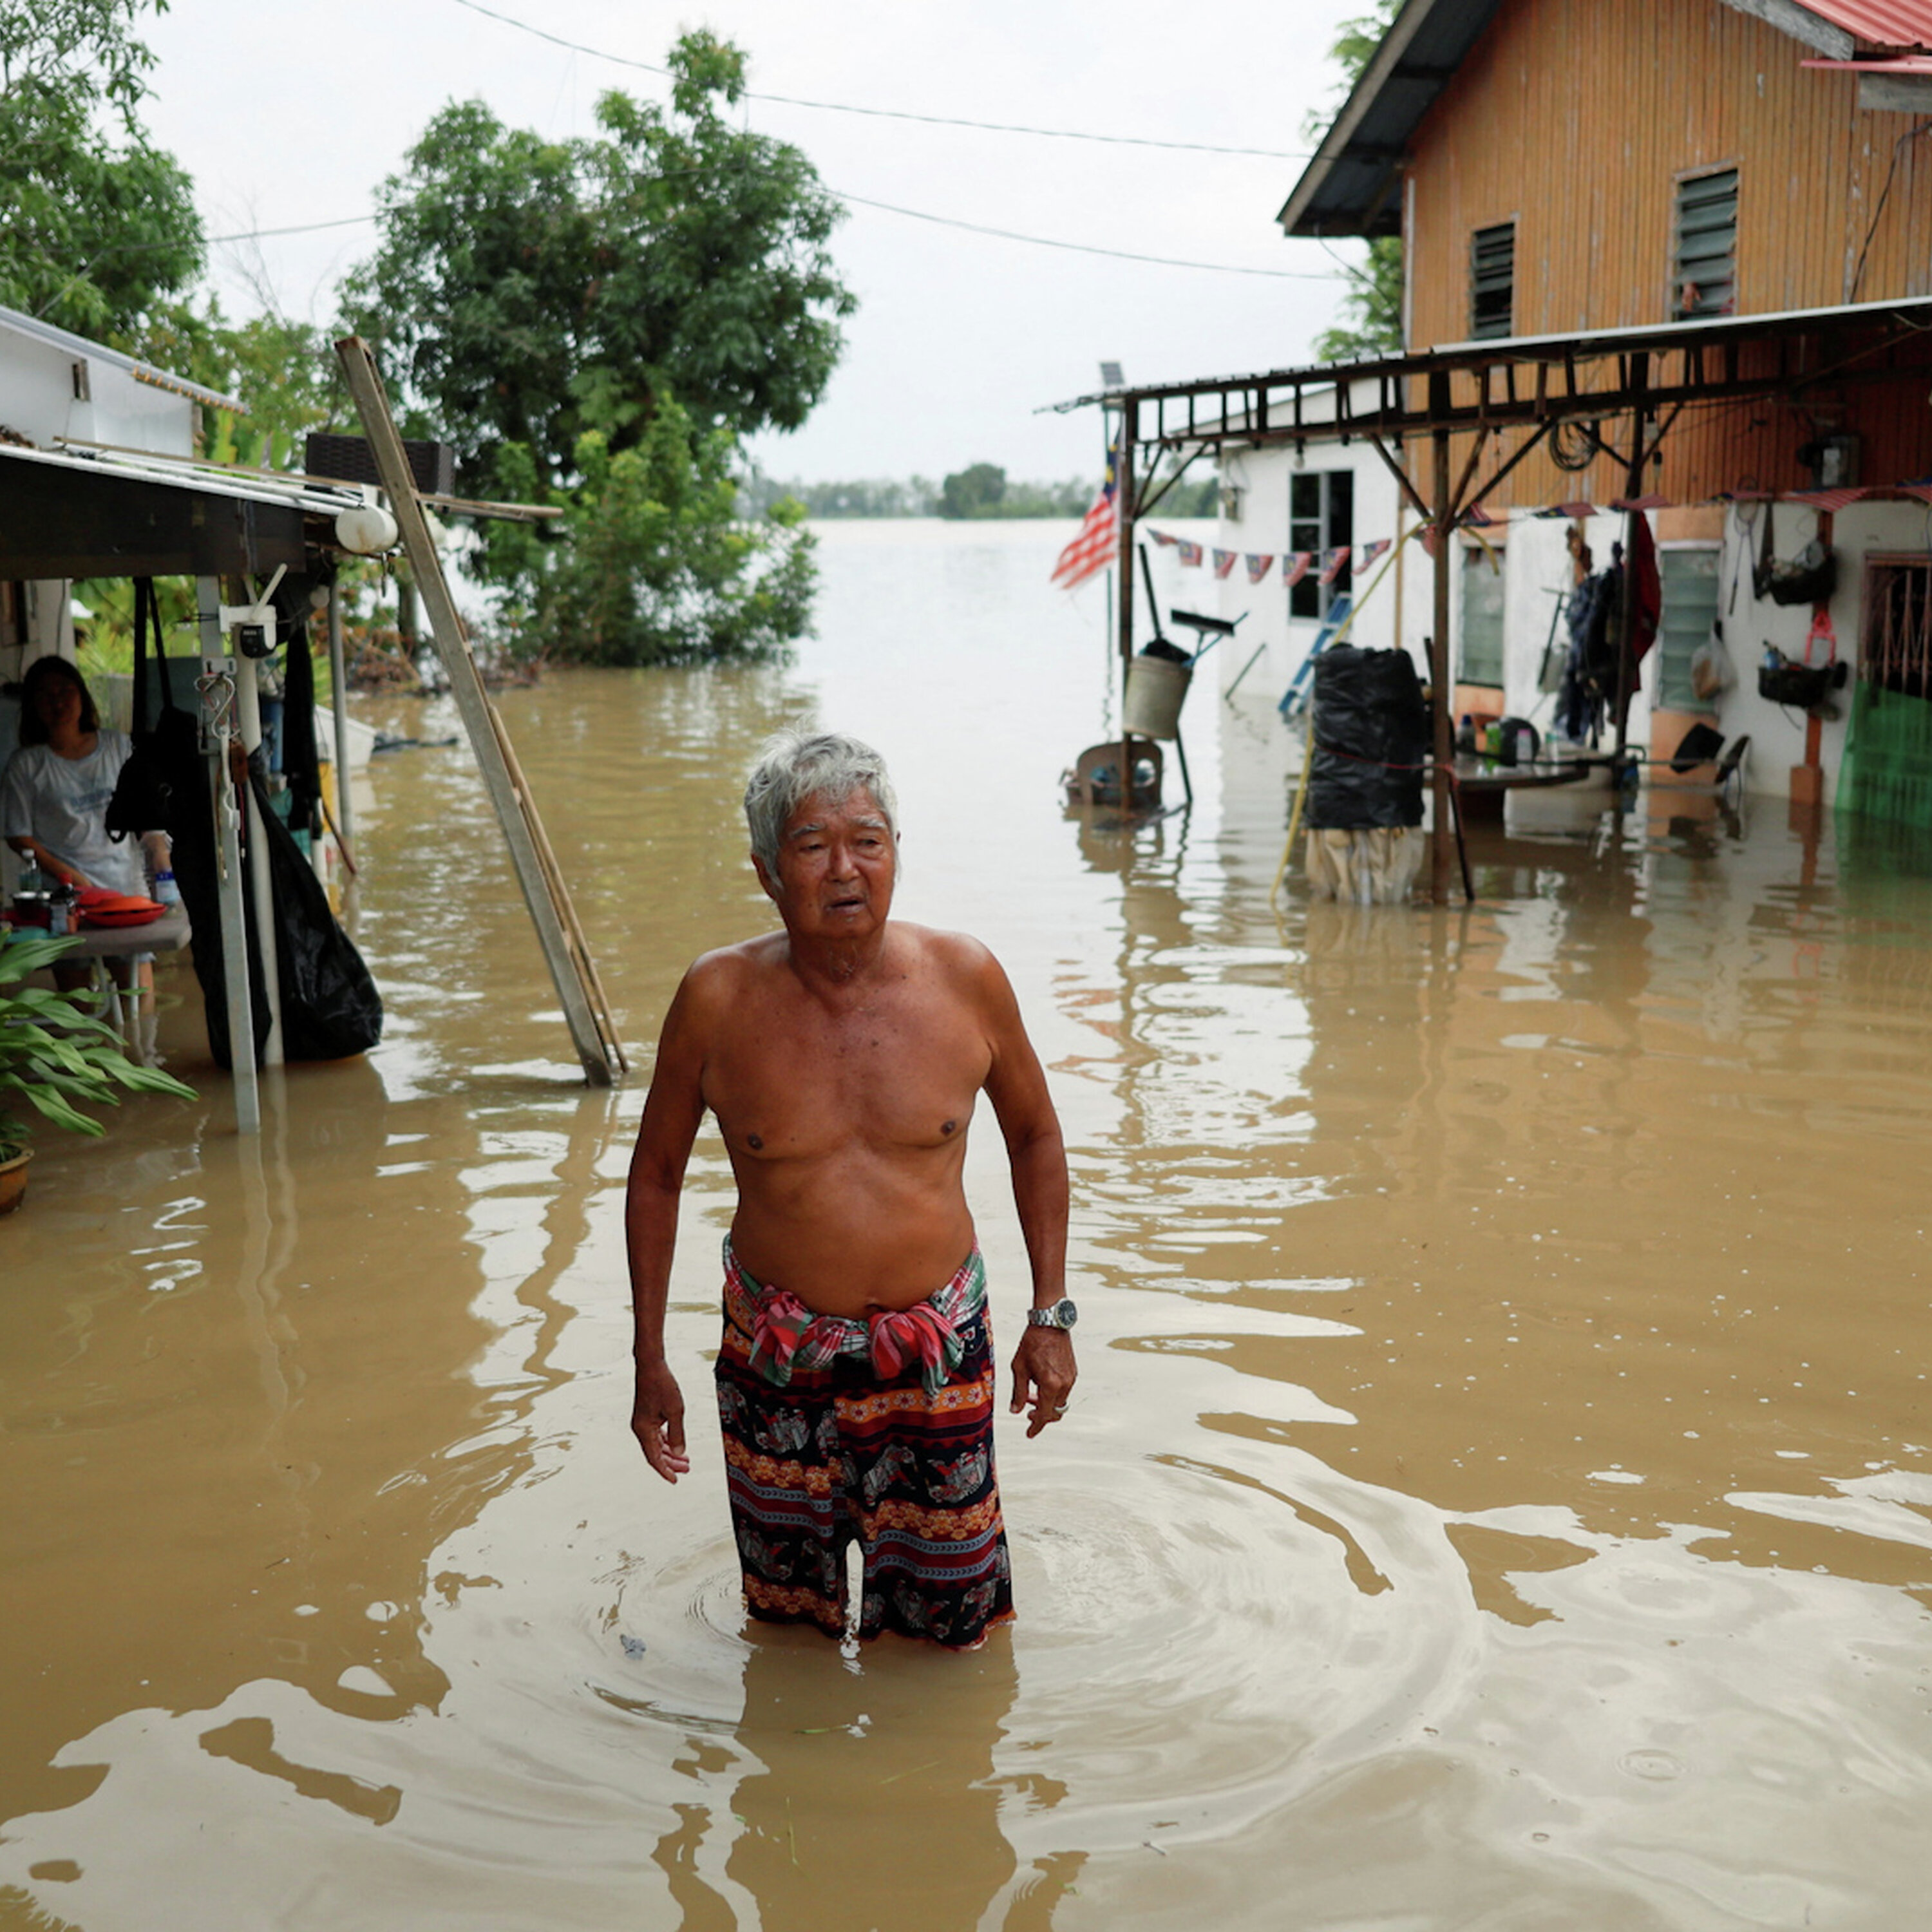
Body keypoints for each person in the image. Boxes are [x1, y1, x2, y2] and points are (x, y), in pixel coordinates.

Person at [627, 730, 1076, 1652]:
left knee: (953, 1637)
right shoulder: (714, 999)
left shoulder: (967, 979)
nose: (846, 870)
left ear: (897, 854)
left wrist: (1051, 1314)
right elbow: (656, 1175)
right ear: (765, 871)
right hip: (775, 1359)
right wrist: (648, 1357)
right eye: (813, 845)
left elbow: (1034, 1134)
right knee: (784, 1635)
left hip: (938, 1358)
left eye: (869, 841)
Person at [3, 656, 169, 992]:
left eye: (66, 690)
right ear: (34, 705)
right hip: (67, 899)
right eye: (46, 695)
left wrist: (160, 855)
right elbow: (19, 836)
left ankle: (140, 1049)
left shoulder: (117, 746)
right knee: (78, 1001)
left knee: (137, 992)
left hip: (125, 891)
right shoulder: (26, 764)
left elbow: (145, 816)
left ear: (82, 696)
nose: (58, 701)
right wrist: (73, 880)